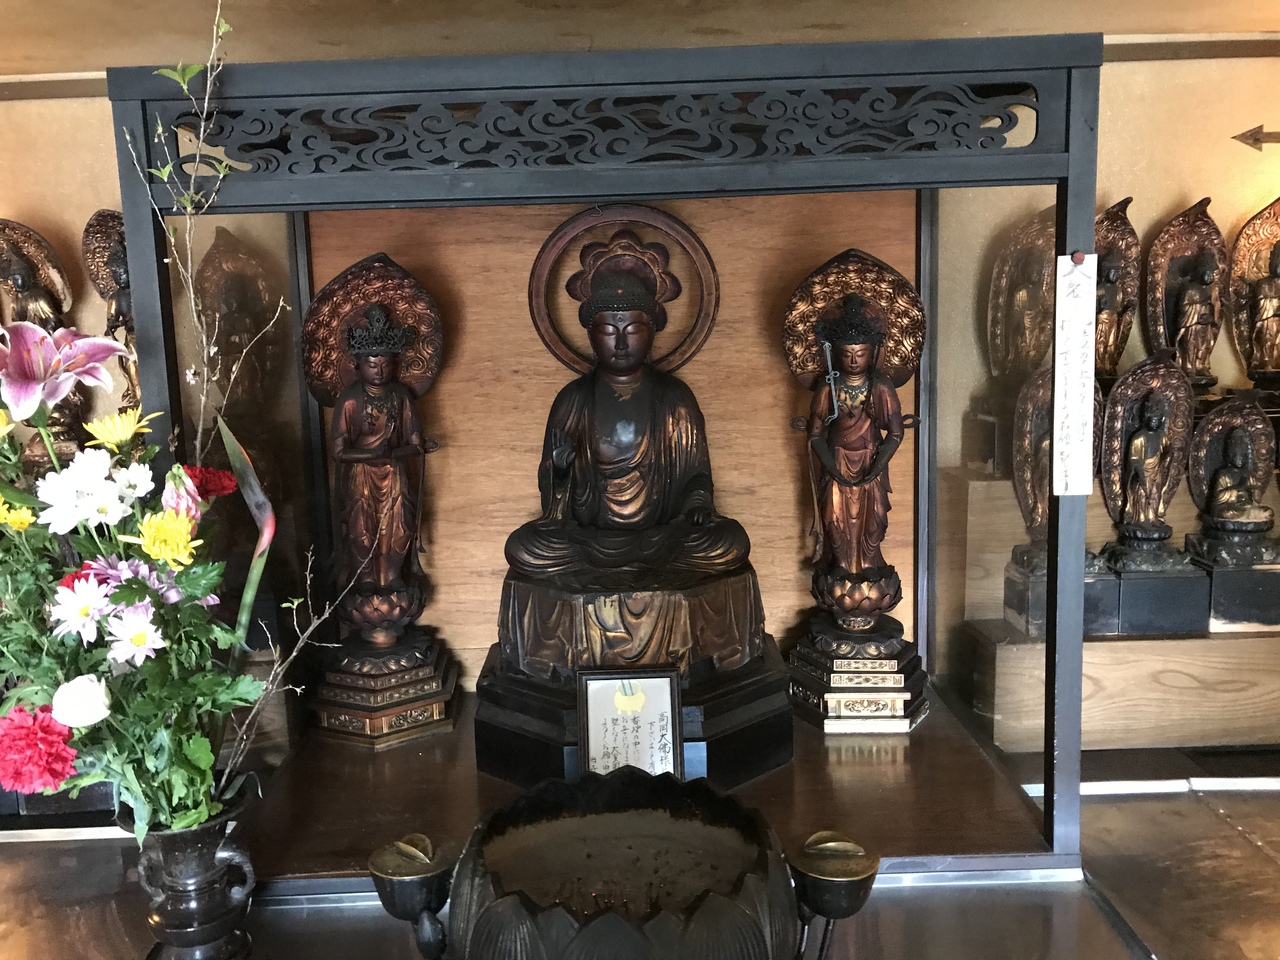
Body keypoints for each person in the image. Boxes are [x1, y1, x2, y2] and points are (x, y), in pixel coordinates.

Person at [504, 269, 749, 588]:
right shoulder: (573, 399)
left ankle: (618, 571)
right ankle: (639, 571)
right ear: (591, 334)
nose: (620, 343)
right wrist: (561, 473)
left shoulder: (674, 397)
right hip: (592, 539)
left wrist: (698, 505)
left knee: (731, 542)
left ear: (652, 331)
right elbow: (553, 501)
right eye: (608, 331)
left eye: (633, 330)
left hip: (663, 536)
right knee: (523, 547)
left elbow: (696, 474)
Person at [805, 294, 905, 579]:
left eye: (860, 353)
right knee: (834, 520)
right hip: (836, 459)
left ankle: (869, 566)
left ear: (872, 353)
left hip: (870, 460)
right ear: (835, 353)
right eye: (847, 353)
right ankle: (840, 566)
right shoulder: (828, 387)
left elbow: (896, 432)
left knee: (873, 522)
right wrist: (831, 468)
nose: (853, 360)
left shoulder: (881, 386)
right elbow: (815, 435)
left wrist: (877, 466)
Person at [330, 305, 423, 590]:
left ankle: (393, 575)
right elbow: (338, 452)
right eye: (372, 365)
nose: (380, 371)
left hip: (394, 470)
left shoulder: (401, 396)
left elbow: (415, 443)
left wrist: (399, 452)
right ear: (358, 366)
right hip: (361, 473)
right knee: (361, 527)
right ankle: (366, 578)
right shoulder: (350, 400)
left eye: (385, 365)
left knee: (400, 523)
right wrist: (370, 454)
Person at [1123, 392, 1170, 526]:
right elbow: (1134, 460)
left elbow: (1168, 451)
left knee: (1155, 495)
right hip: (1142, 473)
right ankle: (1141, 519)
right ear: (1146, 418)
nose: (1155, 423)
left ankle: (1153, 517)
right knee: (1142, 496)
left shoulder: (1162, 436)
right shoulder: (1139, 437)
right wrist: (1141, 474)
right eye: (1152, 420)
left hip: (1156, 472)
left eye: (1157, 420)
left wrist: (1167, 457)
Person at [1210, 428, 1274, 524]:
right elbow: (1218, 497)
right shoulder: (1224, 474)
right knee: (1226, 513)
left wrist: (1255, 489)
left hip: (1246, 506)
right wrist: (1239, 488)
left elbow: (1256, 499)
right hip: (1230, 507)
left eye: (1241, 454)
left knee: (1268, 512)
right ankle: (1247, 516)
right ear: (1229, 455)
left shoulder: (1248, 474)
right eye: (1235, 454)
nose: (1238, 458)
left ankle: (1248, 515)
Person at [1174, 252, 1218, 381]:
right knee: (1190, 345)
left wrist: (1211, 317)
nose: (1210, 277)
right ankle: (1188, 367)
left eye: (1212, 274)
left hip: (1205, 325)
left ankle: (1200, 366)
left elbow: (1215, 308)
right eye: (1208, 273)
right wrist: (1198, 309)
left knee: (1205, 345)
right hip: (1192, 324)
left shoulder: (1211, 291)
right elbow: (1184, 307)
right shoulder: (1190, 289)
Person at [1251, 244, 1280, 373]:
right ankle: (1267, 361)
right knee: (1267, 334)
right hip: (1269, 320)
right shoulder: (1264, 284)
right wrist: (1273, 307)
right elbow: (1261, 310)